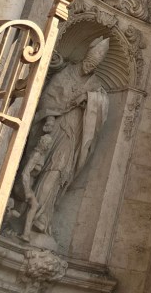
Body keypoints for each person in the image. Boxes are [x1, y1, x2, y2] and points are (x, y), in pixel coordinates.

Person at [17, 37, 110, 239]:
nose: (90, 66)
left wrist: (89, 99)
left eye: (95, 65)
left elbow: (101, 107)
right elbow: (48, 97)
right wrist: (50, 117)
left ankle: (42, 218)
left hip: (73, 134)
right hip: (55, 127)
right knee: (37, 166)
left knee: (58, 171)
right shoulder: (66, 73)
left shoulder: (95, 85)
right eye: (90, 61)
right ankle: (24, 212)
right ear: (85, 56)